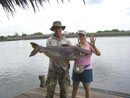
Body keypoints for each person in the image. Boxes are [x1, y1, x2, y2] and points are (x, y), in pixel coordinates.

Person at [45, 21, 71, 98]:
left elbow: (70, 56)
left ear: (61, 29)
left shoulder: (67, 41)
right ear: (53, 29)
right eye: (56, 28)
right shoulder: (49, 40)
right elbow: (49, 54)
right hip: (52, 69)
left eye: (59, 28)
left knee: (64, 93)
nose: (58, 29)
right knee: (49, 92)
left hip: (64, 69)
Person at [72, 30, 101, 98]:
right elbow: (73, 57)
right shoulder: (76, 46)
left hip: (87, 69)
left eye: (83, 35)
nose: (81, 37)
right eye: (80, 35)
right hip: (76, 69)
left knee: (87, 90)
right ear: (78, 37)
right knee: (74, 89)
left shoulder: (89, 46)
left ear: (86, 36)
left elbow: (98, 54)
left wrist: (94, 45)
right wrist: (75, 56)